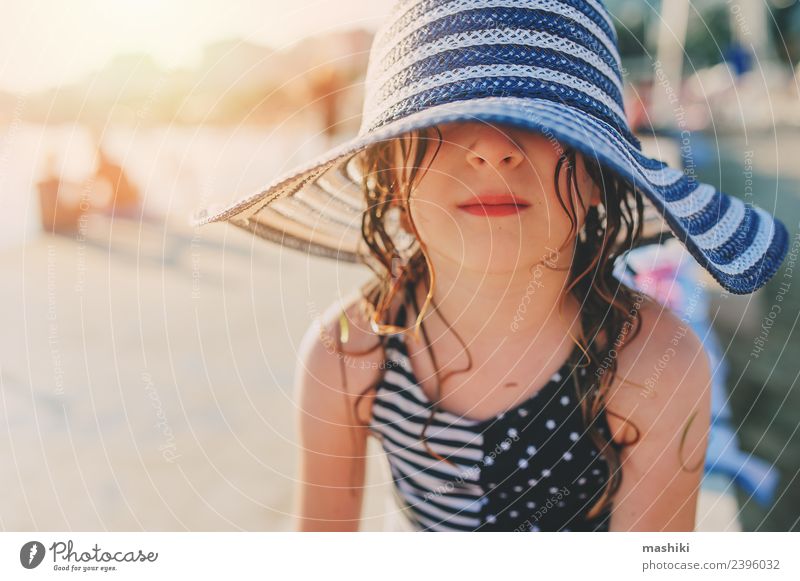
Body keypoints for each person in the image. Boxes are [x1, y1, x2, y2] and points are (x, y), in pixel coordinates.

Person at [191, 0, 789, 532]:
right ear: (391, 177)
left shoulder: (653, 365)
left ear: (598, 175)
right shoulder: (348, 357)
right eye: (442, 121)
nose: (492, 146)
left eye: (540, 120)